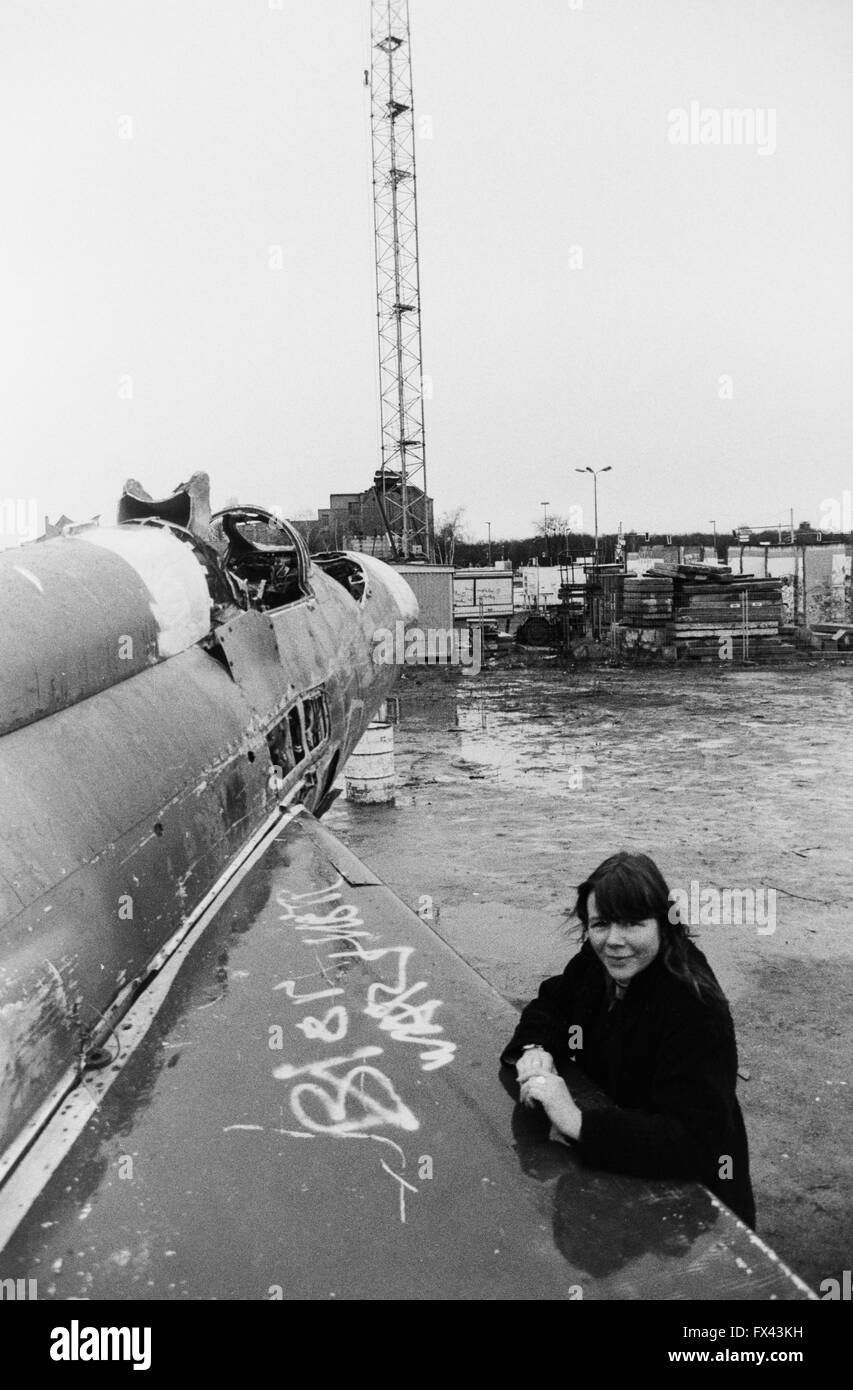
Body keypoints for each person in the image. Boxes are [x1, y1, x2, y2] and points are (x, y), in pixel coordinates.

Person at [500, 851, 756, 1228]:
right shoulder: (598, 959)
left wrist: (576, 1120)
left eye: (632, 923)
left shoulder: (695, 1007)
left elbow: (691, 1142)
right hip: (617, 1186)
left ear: (663, 924)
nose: (613, 941)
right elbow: (554, 1001)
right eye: (600, 923)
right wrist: (535, 1049)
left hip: (696, 1219)